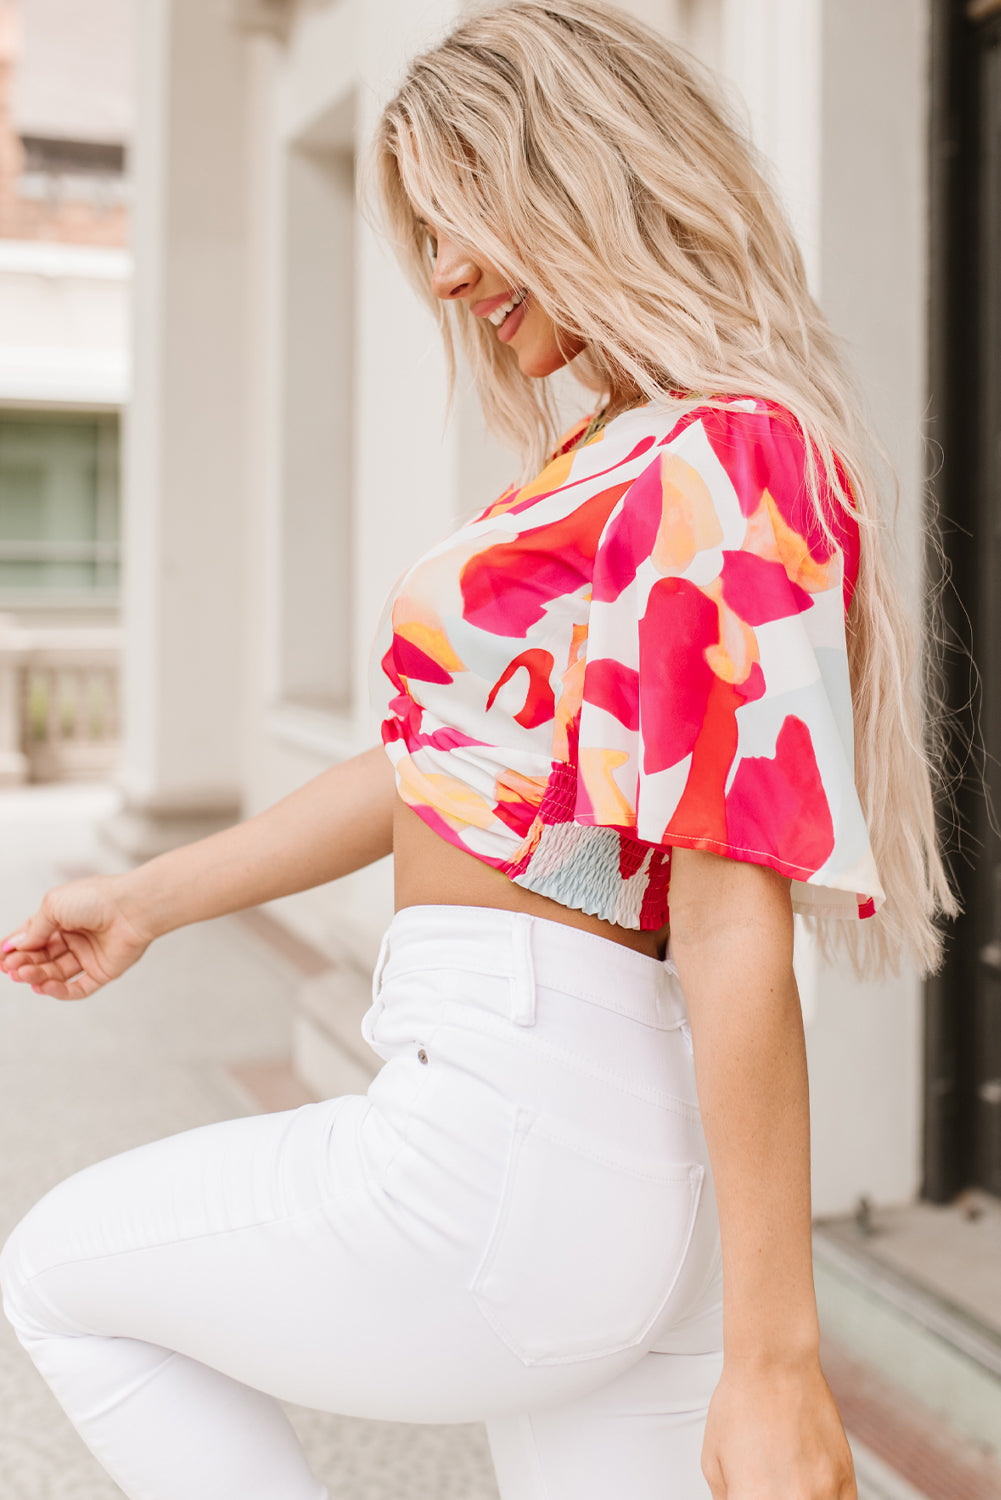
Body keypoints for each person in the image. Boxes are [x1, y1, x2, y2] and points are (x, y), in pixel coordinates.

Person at [0, 3, 956, 1498]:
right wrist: (152, 900)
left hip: (523, 1117)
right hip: (596, 1135)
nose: (444, 275)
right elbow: (434, 773)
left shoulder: (721, 455)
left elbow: (724, 909)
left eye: (464, 222)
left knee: (57, 1273)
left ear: (581, 176)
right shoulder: (621, 458)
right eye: (425, 235)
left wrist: (776, 1358)